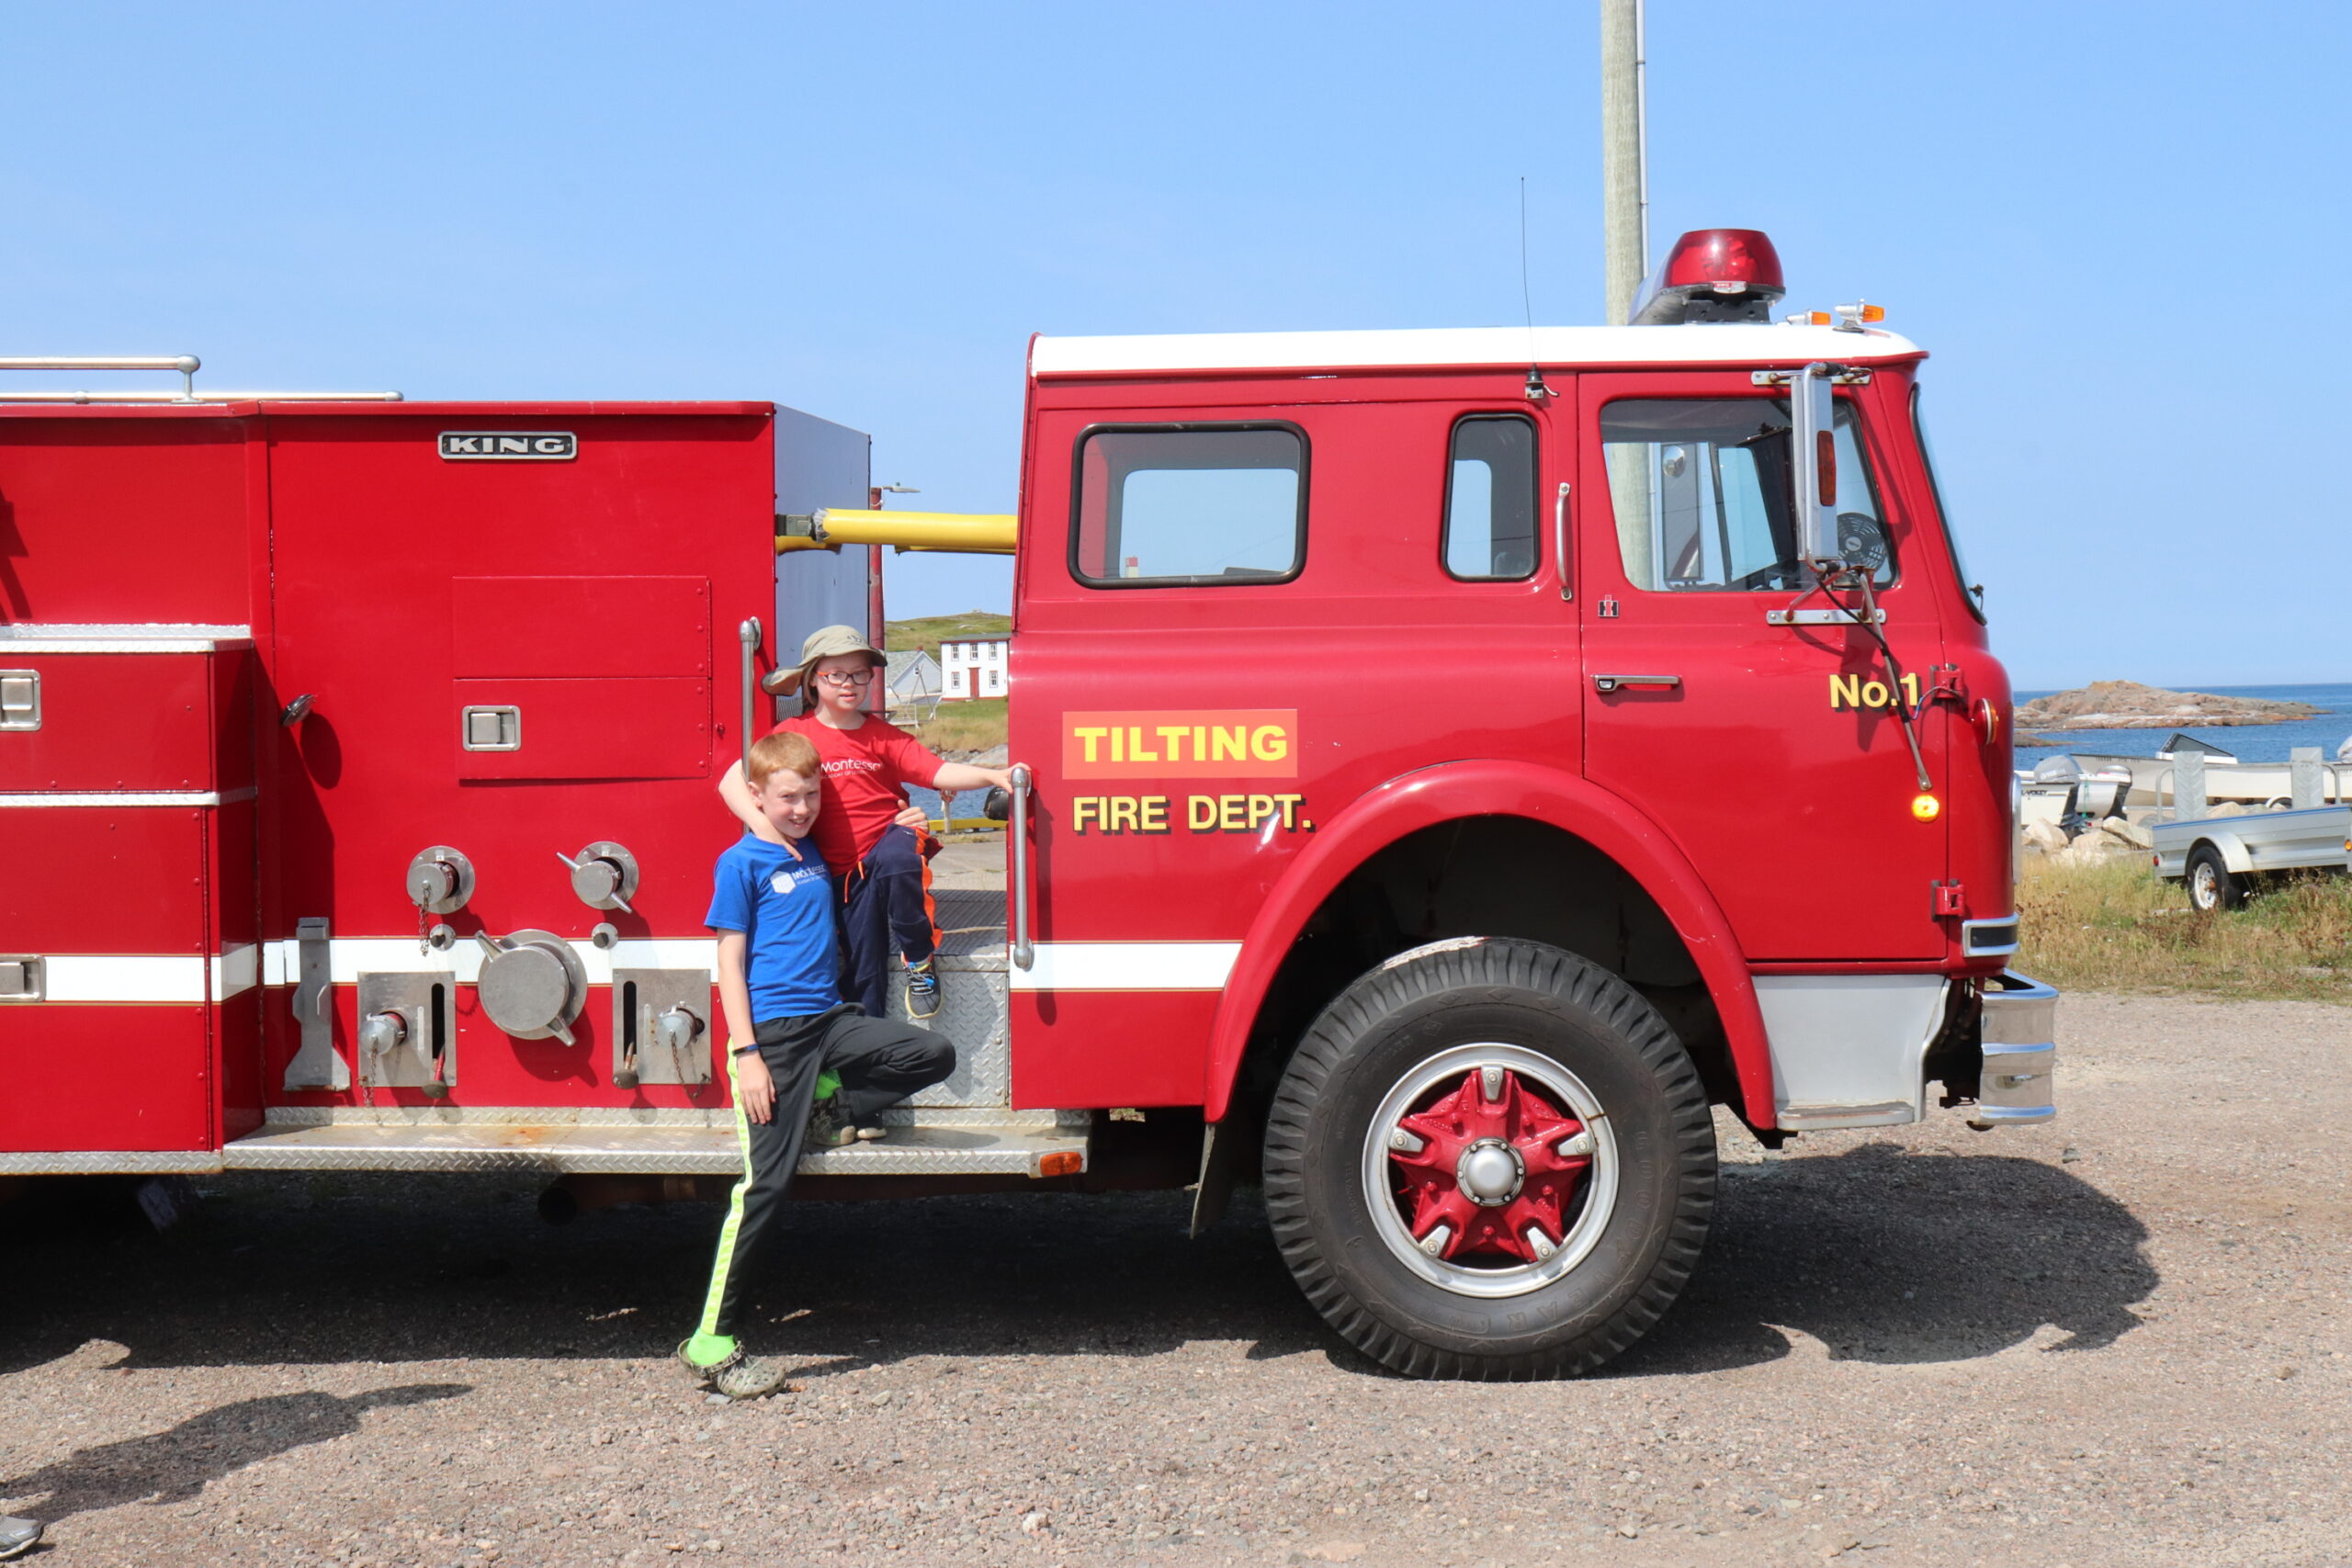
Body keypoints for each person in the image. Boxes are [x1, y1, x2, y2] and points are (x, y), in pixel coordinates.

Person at [679, 729, 956, 1399]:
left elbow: (861, 835)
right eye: (787, 798)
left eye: (810, 795)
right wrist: (747, 1054)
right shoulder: (740, 862)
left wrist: (902, 821)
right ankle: (711, 1343)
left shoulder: (808, 851)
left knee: (931, 1052)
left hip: (829, 1022)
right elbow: (729, 964)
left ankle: (829, 1109)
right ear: (758, 798)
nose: (801, 808)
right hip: (773, 1040)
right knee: (764, 1189)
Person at [718, 625, 1010, 1022]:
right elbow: (730, 780)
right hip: (839, 875)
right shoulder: (794, 734)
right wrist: (764, 828)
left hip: (886, 845)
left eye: (860, 674)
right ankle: (865, 1043)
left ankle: (919, 958)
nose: (850, 684)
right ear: (813, 679)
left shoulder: (883, 737)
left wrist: (993, 776)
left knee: (899, 858)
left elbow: (938, 771)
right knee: (863, 971)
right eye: (836, 674)